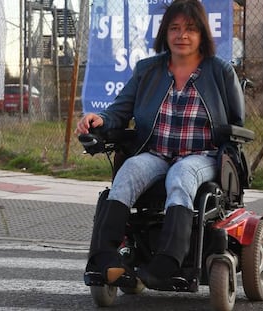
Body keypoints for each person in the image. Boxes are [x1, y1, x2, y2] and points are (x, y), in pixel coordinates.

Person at [76, 0, 245, 289]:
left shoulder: (220, 71)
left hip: (201, 155)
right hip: (155, 152)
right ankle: (103, 258)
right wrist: (99, 120)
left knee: (181, 176)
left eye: (190, 29)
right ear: (165, 33)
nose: (182, 35)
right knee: (127, 173)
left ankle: (169, 262)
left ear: (202, 33)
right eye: (175, 28)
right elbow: (119, 110)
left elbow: (237, 122)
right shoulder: (148, 70)